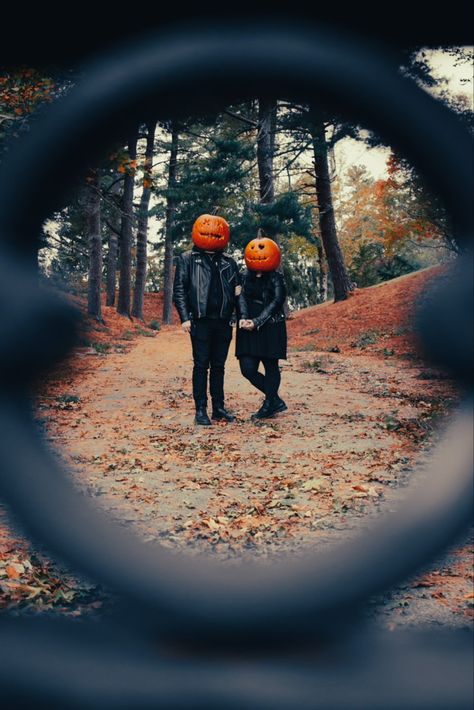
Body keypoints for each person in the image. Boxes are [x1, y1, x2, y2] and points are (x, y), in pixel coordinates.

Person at [173, 214, 240, 426]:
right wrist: (185, 318)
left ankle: (218, 408)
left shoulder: (229, 262)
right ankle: (200, 410)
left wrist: (239, 317)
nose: (212, 232)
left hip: (223, 322)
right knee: (201, 365)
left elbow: (238, 293)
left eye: (217, 230)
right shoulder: (187, 259)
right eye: (207, 229)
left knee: (219, 366)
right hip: (200, 321)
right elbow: (180, 290)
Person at [236, 235, 288, 420]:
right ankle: (275, 400)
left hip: (270, 327)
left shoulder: (277, 278)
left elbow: (276, 302)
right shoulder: (243, 276)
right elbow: (241, 298)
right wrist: (243, 318)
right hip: (247, 325)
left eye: (263, 250)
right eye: (254, 250)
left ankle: (269, 405)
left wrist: (257, 322)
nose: (258, 254)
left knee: (270, 366)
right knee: (247, 368)